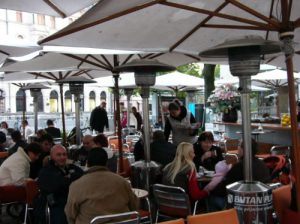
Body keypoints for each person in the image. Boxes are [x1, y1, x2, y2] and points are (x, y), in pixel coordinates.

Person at [65, 148, 139, 224]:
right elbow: (134, 205)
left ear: (88, 163)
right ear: (106, 163)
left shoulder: (77, 185)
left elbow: (70, 214)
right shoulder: (122, 181)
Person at [208, 138, 271, 211]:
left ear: (243, 149)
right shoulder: (262, 164)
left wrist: (211, 191)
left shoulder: (240, 166)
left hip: (243, 205)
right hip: (262, 203)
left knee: (211, 198)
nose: (237, 148)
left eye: (238, 145)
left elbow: (224, 188)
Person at [38, 144, 83, 224]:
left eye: (64, 154)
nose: (62, 157)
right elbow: (58, 185)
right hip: (55, 203)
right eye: (58, 155)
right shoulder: (46, 171)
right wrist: (70, 178)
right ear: (51, 157)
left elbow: (83, 176)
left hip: (74, 201)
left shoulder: (70, 167)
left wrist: (69, 178)